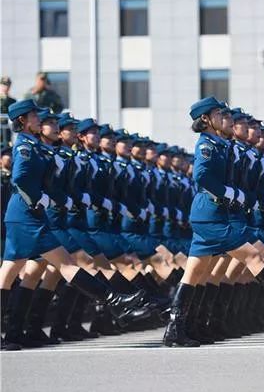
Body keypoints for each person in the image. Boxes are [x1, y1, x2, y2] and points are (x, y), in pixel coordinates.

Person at [162, 97, 264, 347]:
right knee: (254, 256)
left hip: (214, 214)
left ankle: (176, 329)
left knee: (196, 273)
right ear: (206, 120)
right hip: (212, 214)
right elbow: (201, 175)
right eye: (221, 115)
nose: (226, 120)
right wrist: (231, 194)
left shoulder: (220, 145)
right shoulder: (206, 144)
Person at [0, 99, 152, 351]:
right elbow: (21, 179)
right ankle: (115, 301)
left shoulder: (35, 145)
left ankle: (16, 332)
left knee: (11, 274)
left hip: (29, 214)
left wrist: (60, 199)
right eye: (35, 117)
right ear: (22, 122)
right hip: (26, 215)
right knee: (64, 265)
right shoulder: (25, 146)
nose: (39, 120)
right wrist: (45, 199)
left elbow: (49, 181)